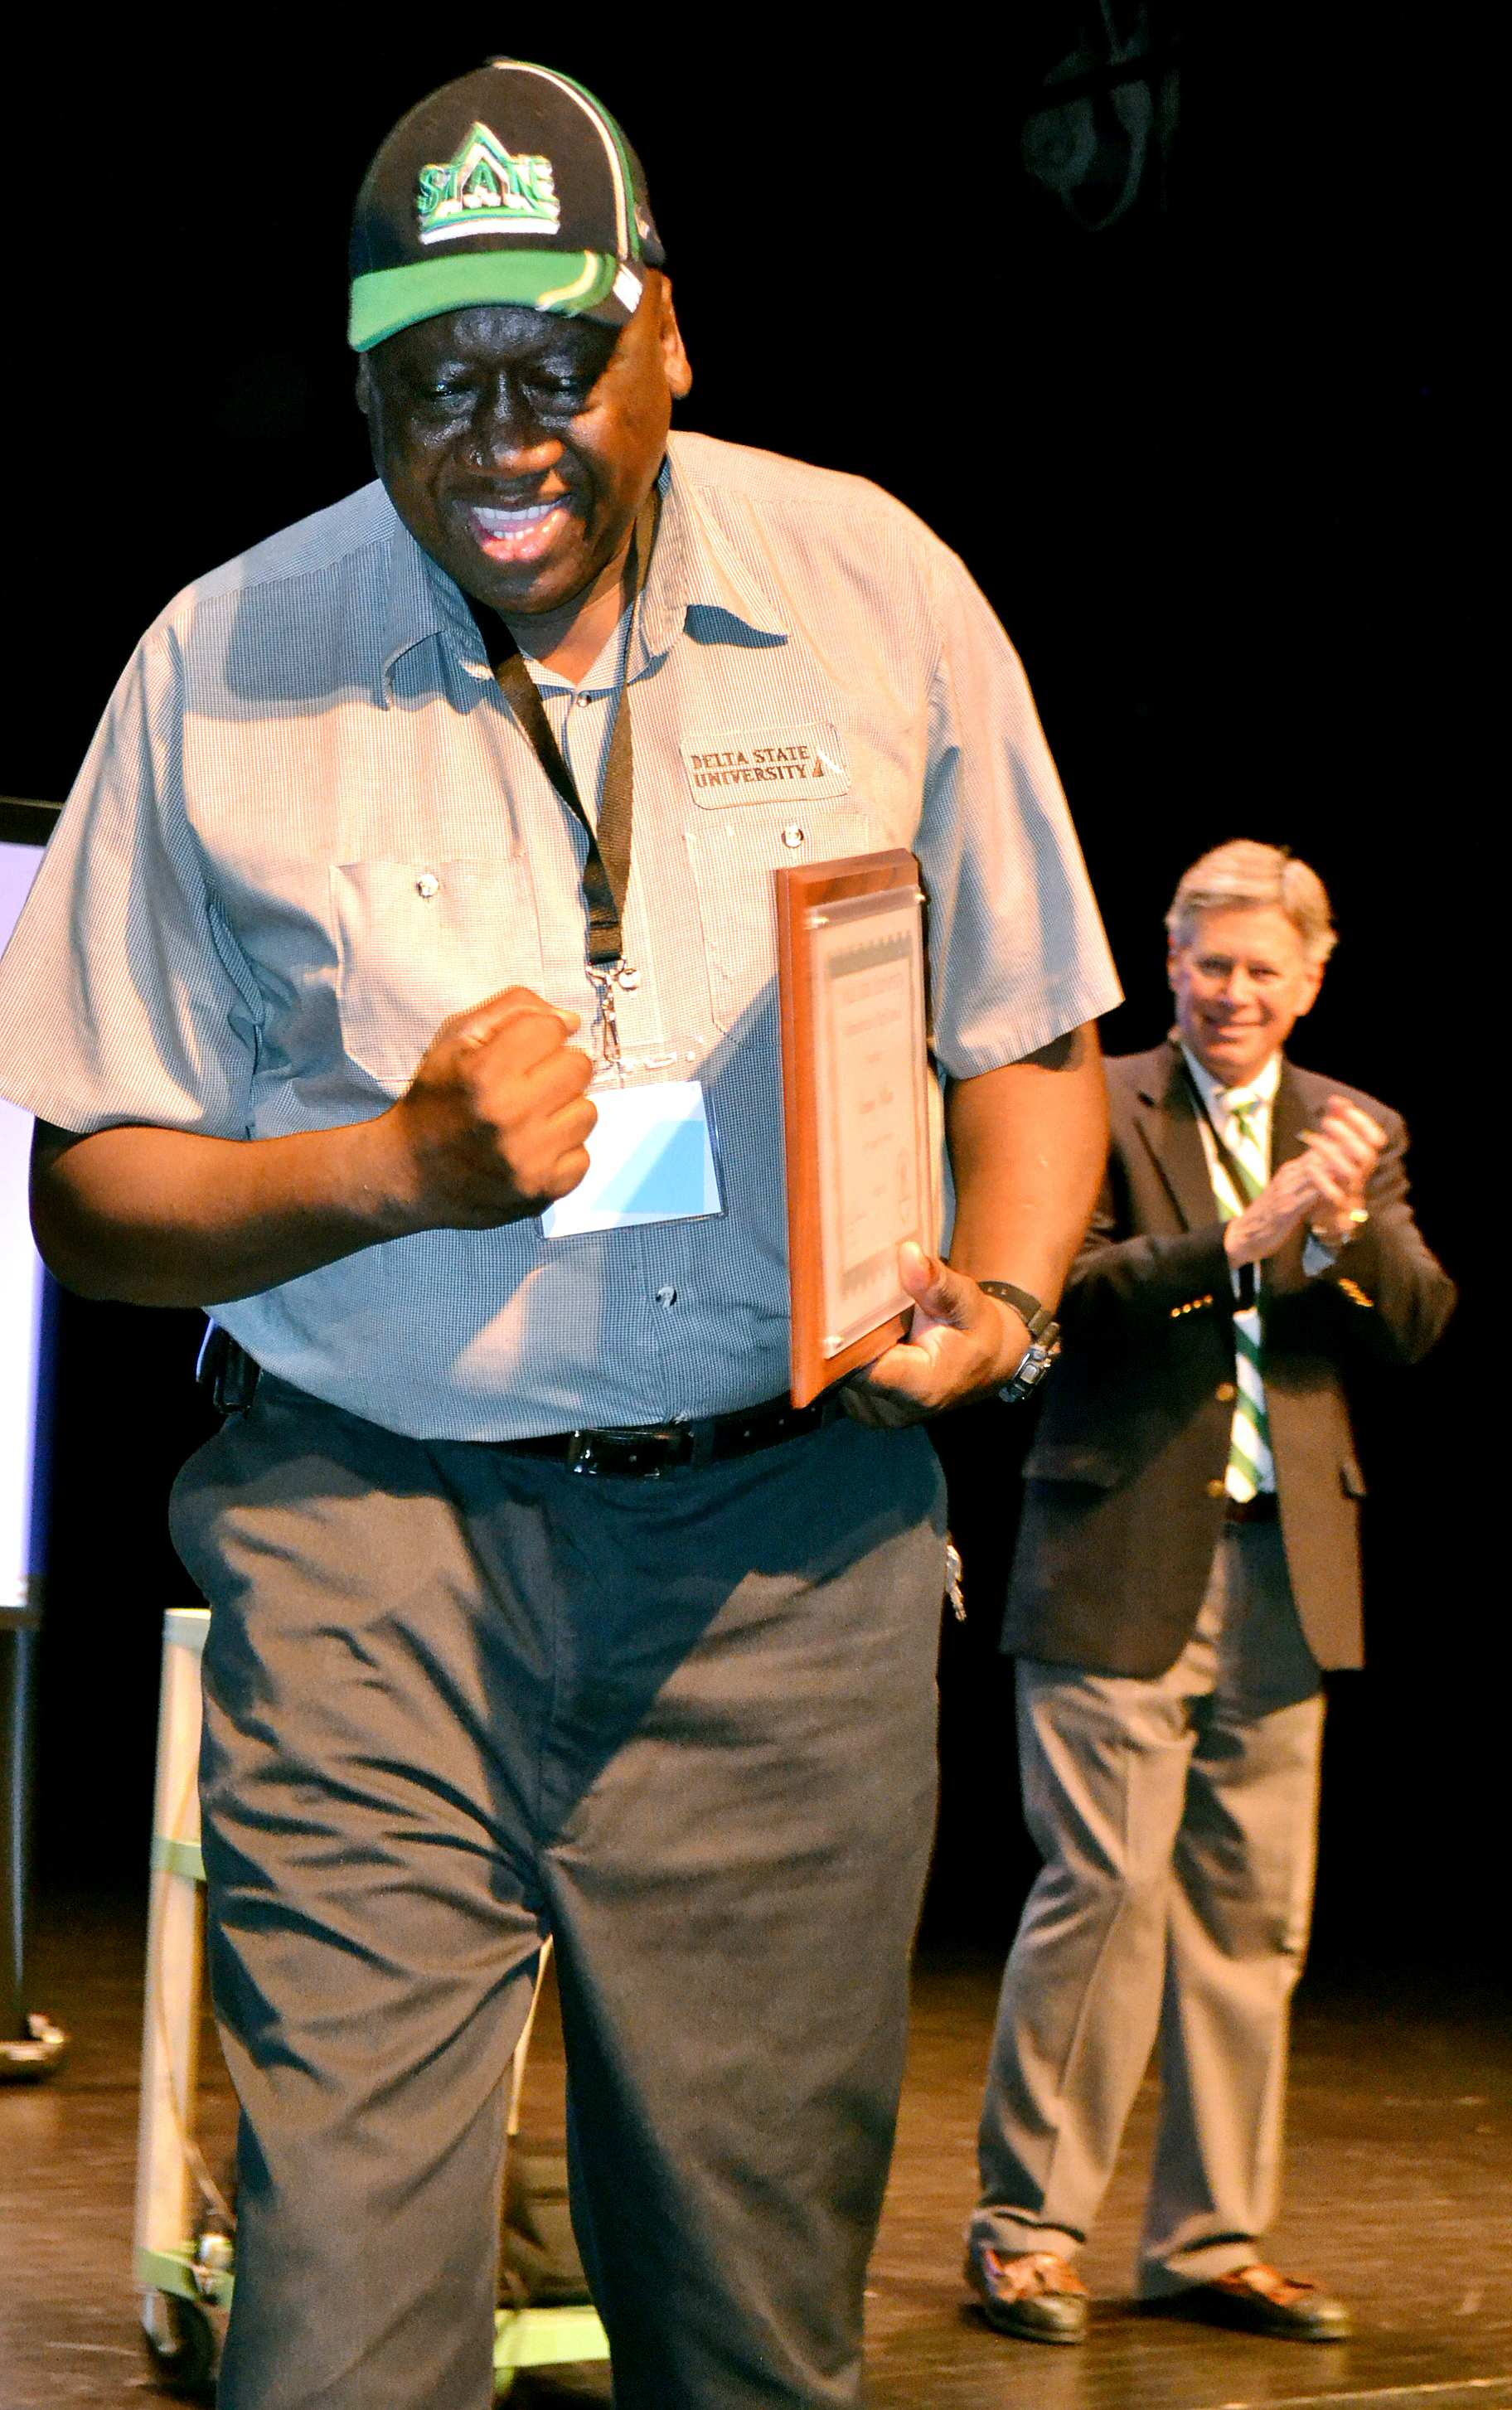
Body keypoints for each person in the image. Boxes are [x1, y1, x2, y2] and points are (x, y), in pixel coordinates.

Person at [0, 61, 1121, 2410]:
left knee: (746, 2320)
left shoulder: (882, 593)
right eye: (433, 382)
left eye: (551, 366)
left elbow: (1030, 1036)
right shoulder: (219, 662)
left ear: (668, 338)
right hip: (368, 1537)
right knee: (338, 2333)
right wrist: (385, 1172)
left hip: (786, 1549)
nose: (497, 437)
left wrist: (1005, 1298)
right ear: (364, 388)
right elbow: (87, 1189)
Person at [964, 838, 1456, 2347]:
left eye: (1262, 969)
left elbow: (1417, 1327)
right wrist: (1232, 1253)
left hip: (1284, 1569)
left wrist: (1346, 1229)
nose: (1233, 993)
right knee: (1105, 1892)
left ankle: (1210, 2242)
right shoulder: (1094, 1105)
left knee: (1254, 1918)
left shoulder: (1353, 1129)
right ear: (1169, 965)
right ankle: (1027, 2235)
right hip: (1121, 1551)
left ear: (1313, 978)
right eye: (1208, 964)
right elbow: (1064, 1296)